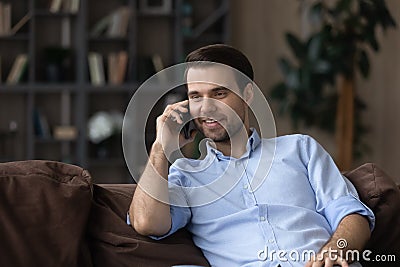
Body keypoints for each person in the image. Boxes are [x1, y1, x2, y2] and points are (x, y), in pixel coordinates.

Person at [129, 44, 375, 267]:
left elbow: (352, 215)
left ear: (248, 95)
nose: (206, 107)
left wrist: (335, 249)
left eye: (219, 93)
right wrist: (161, 145)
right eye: (196, 96)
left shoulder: (300, 149)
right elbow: (147, 222)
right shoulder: (186, 175)